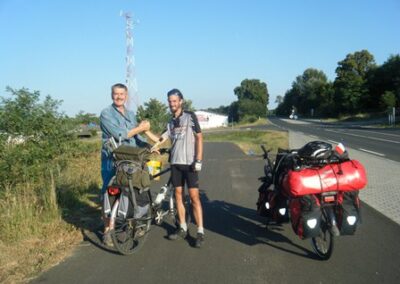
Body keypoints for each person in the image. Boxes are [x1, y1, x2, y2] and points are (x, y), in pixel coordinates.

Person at [146, 88, 205, 248]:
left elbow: (199, 137)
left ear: (181, 101)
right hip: (175, 165)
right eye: (170, 101)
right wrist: (145, 131)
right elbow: (160, 138)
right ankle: (183, 228)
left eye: (174, 101)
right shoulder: (170, 122)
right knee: (178, 196)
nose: (172, 104)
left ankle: (200, 231)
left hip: (190, 164)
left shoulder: (190, 117)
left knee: (194, 198)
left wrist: (198, 159)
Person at [100, 83, 151, 246]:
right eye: (116, 94)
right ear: (111, 95)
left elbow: (137, 138)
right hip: (112, 159)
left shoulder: (130, 114)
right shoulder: (106, 114)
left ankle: (133, 222)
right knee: (111, 193)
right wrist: (141, 128)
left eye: (122, 94)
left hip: (130, 158)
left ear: (126, 96)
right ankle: (108, 230)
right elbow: (120, 134)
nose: (119, 97)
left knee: (132, 189)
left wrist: (149, 147)